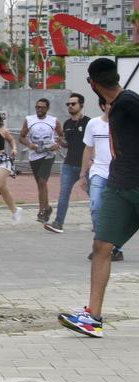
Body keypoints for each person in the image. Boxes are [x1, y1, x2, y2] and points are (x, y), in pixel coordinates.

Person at [58, 58, 139, 338]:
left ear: (92, 83)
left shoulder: (128, 101)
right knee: (102, 246)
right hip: (118, 187)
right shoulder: (118, 105)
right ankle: (92, 318)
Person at [77, 97, 123, 261]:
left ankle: (115, 248)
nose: (112, 107)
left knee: (117, 211)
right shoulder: (93, 124)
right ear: (103, 106)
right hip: (98, 170)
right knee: (96, 206)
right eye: (110, 104)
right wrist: (83, 174)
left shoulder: (124, 124)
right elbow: (88, 149)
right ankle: (102, 243)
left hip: (119, 172)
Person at [44, 93, 89, 233]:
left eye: (73, 104)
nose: (70, 106)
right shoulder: (67, 123)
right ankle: (58, 223)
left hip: (86, 165)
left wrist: (91, 162)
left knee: (95, 196)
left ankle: (100, 226)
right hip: (69, 164)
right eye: (68, 104)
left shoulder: (89, 122)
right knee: (63, 194)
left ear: (81, 105)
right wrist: (60, 142)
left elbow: (92, 145)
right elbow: (67, 144)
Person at [19, 98, 63, 223]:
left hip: (48, 154)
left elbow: (62, 135)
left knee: (43, 181)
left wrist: (57, 144)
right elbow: (21, 137)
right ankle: (47, 207)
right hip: (34, 155)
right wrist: (30, 145)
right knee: (40, 184)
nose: (39, 109)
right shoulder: (29, 120)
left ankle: (42, 211)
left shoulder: (53, 121)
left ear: (47, 109)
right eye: (38, 107)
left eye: (42, 107)